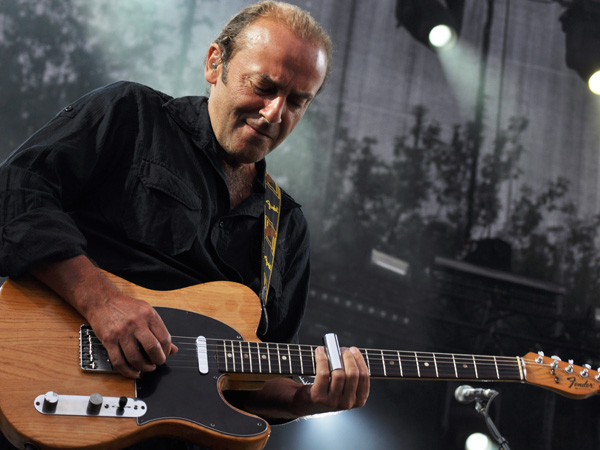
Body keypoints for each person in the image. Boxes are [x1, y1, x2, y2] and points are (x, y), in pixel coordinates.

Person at [0, 1, 369, 447]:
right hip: (52, 388)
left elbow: (247, 378)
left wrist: (303, 400)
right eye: (263, 86)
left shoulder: (286, 228)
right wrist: (101, 301)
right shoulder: (131, 114)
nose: (274, 113)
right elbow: (16, 191)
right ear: (216, 64)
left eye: (296, 101)